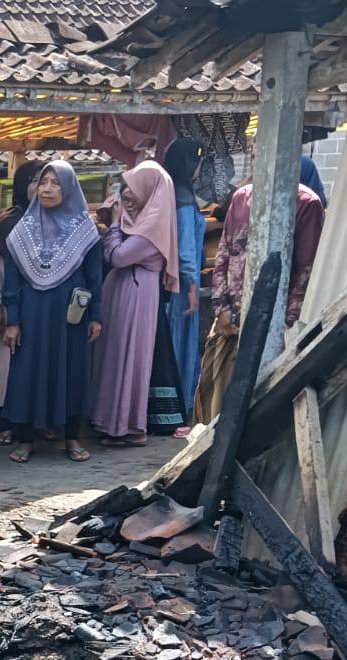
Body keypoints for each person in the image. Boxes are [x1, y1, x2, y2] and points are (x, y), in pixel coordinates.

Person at [195, 160, 325, 423]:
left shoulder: (306, 204)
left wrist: (286, 329)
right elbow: (224, 255)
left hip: (275, 329)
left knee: (259, 412)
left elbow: (304, 273)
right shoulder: (242, 198)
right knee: (214, 408)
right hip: (230, 324)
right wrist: (221, 310)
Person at [1, 161, 103, 465]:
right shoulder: (23, 230)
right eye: (44, 182)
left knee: (70, 370)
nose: (47, 188)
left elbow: (95, 277)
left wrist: (95, 315)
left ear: (69, 188)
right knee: (27, 372)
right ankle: (25, 438)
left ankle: (71, 438)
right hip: (32, 314)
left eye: (55, 183)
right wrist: (13, 320)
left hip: (71, 315)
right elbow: (12, 279)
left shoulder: (86, 230)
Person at [93, 160, 180, 448]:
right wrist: (116, 215)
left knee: (129, 357)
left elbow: (118, 256)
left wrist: (116, 224)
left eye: (132, 186)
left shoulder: (153, 226)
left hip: (136, 294)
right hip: (125, 292)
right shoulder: (141, 220)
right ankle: (111, 422)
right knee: (116, 356)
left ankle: (129, 427)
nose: (127, 193)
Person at [0, 160, 43, 437]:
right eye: (35, 181)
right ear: (22, 185)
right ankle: (7, 424)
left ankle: (34, 424)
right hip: (9, 308)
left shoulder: (47, 220)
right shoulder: (10, 222)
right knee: (6, 367)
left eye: (47, 181)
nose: (42, 188)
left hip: (37, 309)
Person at [162, 138, 205, 437]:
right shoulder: (185, 201)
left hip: (168, 282)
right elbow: (186, 249)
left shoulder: (167, 195)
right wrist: (191, 285)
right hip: (182, 287)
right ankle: (180, 408)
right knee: (181, 347)